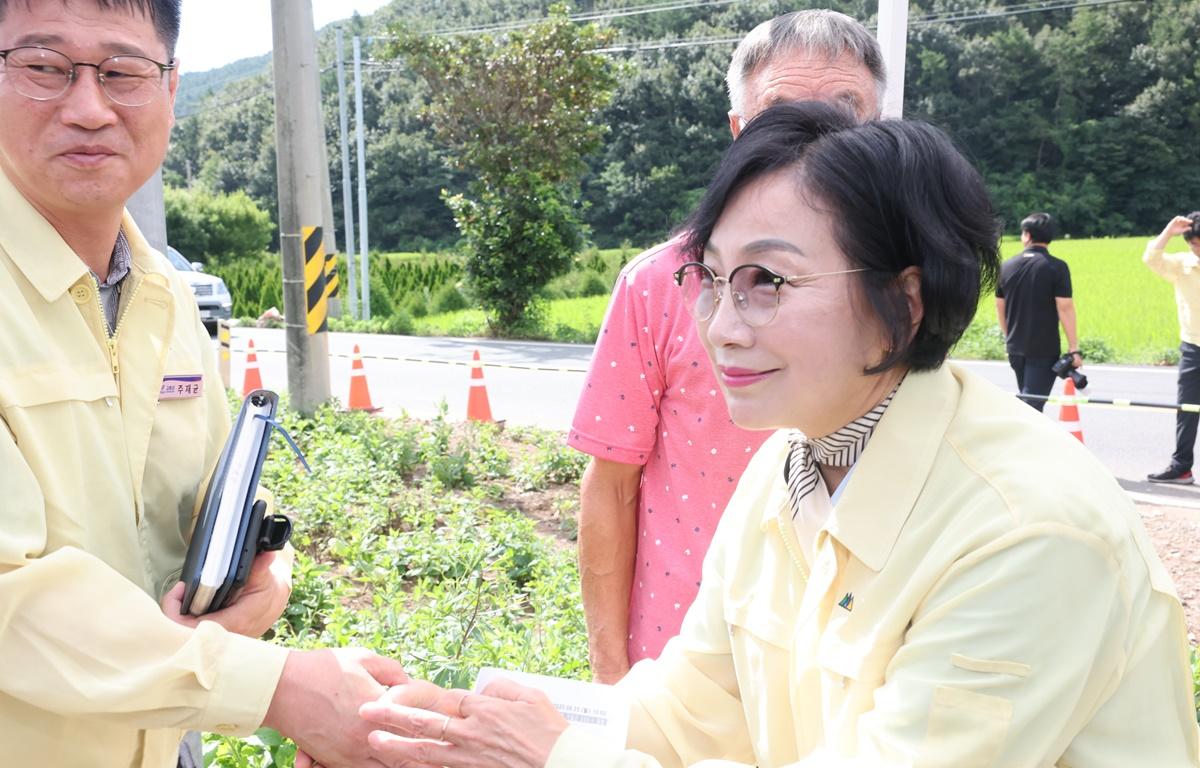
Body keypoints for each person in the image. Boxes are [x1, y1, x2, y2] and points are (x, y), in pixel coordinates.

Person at [359, 103, 1199, 767]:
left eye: (767, 281)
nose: (720, 325)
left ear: (902, 305)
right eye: (714, 279)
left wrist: (561, 758)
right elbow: (690, 710)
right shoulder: (790, 465)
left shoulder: (1027, 535)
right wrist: (458, 726)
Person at [0, 2, 406, 766]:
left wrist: (265, 566)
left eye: (121, 73)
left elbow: (214, 489)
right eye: (44, 68)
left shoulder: (168, 295)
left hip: (164, 741)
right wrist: (277, 688)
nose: (88, 109)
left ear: (171, 88)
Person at [569, 9, 886, 683]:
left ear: (878, 128)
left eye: (844, 109)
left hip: (857, 662)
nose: (813, 136)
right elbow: (611, 483)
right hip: (689, 658)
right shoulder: (659, 284)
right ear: (739, 132)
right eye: (781, 112)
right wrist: (610, 670)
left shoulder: (908, 290)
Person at [994, 212, 1083, 411]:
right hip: (1044, 349)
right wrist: (1074, 347)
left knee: (1030, 401)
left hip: (1015, 348)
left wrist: (1009, 336)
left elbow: (1000, 306)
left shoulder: (1006, 267)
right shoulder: (1056, 267)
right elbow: (1065, 307)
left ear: (1026, 235)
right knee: (1031, 407)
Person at [1144, 211, 1200, 484]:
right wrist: (1169, 231)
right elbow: (1151, 258)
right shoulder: (1182, 264)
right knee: (1187, 408)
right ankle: (1181, 466)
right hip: (1193, 345)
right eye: (1193, 244)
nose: (1197, 249)